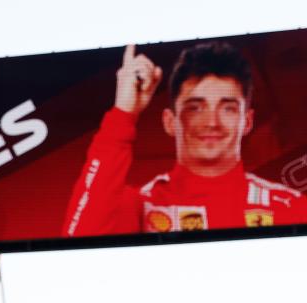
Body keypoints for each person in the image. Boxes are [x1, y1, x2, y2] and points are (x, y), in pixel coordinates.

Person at [63, 41, 307, 237]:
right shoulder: (142, 206)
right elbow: (79, 243)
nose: (211, 121)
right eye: (195, 108)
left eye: (227, 108)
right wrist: (123, 114)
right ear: (170, 122)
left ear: (248, 121)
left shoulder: (290, 207)